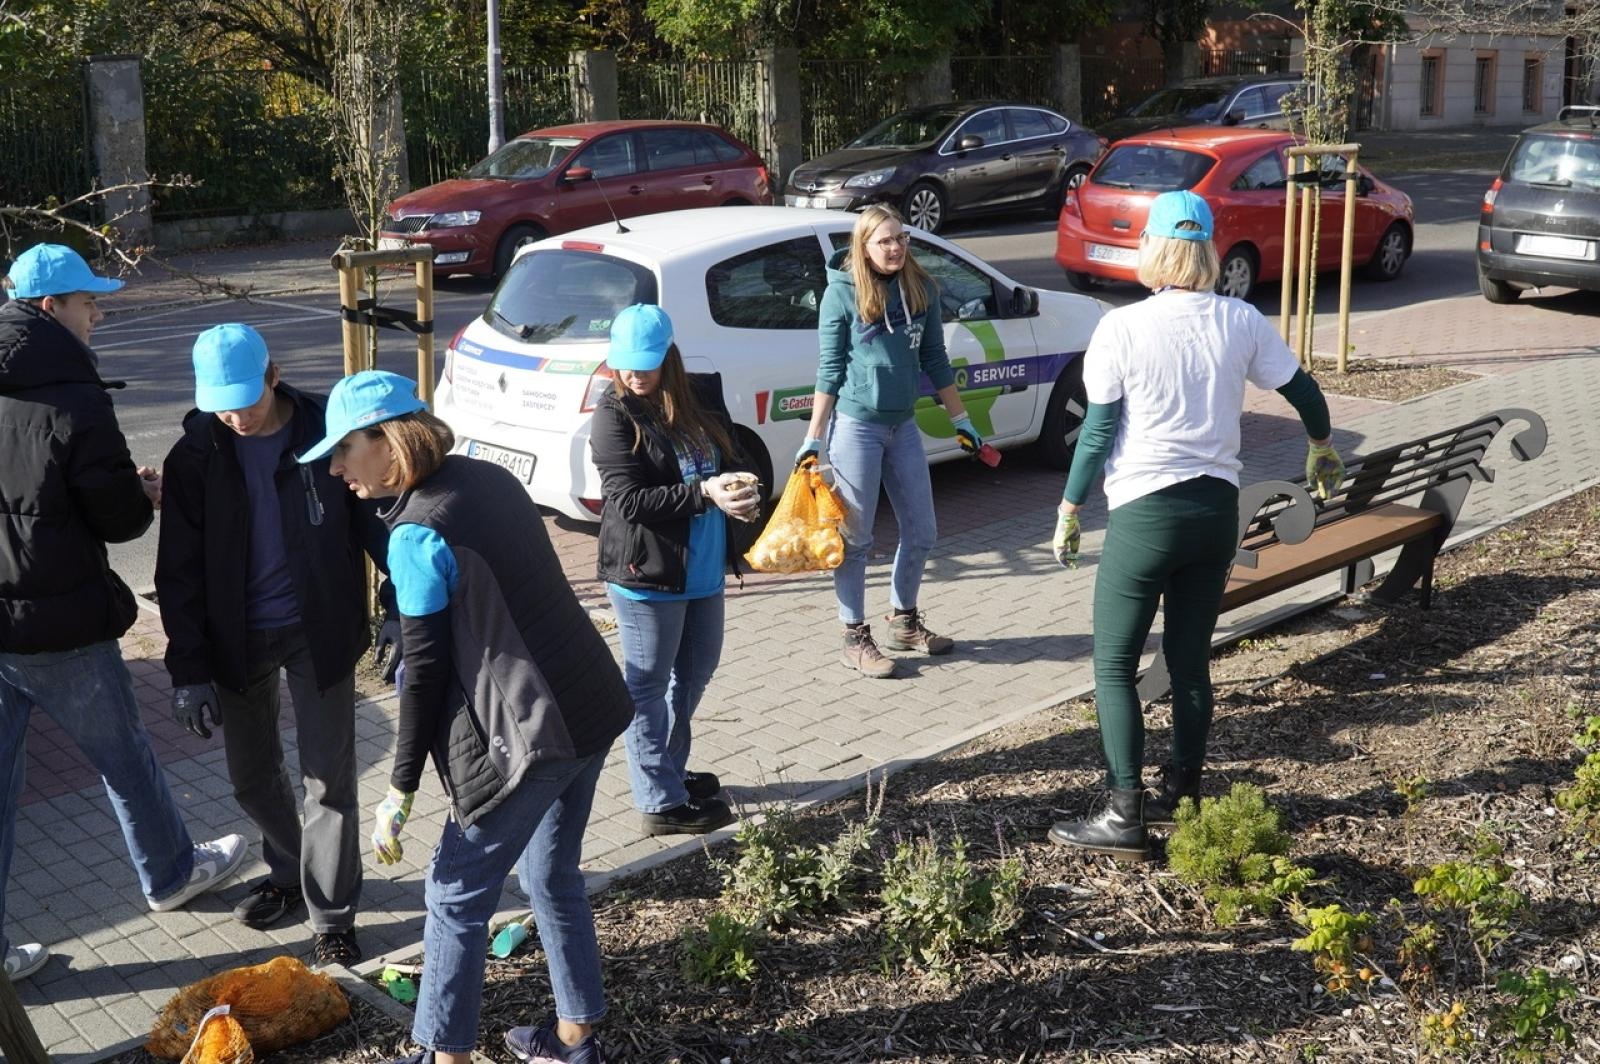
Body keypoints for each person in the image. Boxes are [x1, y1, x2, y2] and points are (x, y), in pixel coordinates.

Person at [300, 371, 631, 1064]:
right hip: (590, 703)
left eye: (342, 451)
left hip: (534, 735)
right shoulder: (489, 477)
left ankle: (440, 1054)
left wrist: (399, 789)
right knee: (553, 878)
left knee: (453, 895)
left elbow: (422, 675)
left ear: (388, 443)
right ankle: (575, 1039)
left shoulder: (417, 536)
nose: (334, 469)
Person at [1046, 191, 1344, 860]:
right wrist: (1320, 446)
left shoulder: (1122, 328)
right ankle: (1184, 791)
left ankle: (1125, 815)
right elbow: (1304, 391)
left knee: (1115, 666)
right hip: (1216, 515)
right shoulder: (1240, 320)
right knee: (1188, 663)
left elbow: (1095, 434)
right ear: (1208, 249)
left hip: (1146, 516)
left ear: (1152, 248)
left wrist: (1069, 509)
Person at [0, 244, 246, 983]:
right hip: (61, 620)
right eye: (87, 302)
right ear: (51, 309)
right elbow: (117, 521)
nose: (98, 314)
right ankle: (171, 873)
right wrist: (139, 492)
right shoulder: (75, 397)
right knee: (126, 756)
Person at [155, 323, 395, 965]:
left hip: (320, 628)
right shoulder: (195, 457)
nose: (235, 415)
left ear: (274, 375)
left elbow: (380, 519)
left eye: (246, 399)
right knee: (251, 777)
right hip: (236, 637)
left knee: (329, 780)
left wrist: (397, 607)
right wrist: (188, 670)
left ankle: (333, 916)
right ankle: (290, 871)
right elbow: (176, 571)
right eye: (220, 403)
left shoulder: (326, 431)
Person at [590, 304, 758, 837]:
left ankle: (667, 771)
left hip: (702, 567)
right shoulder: (613, 413)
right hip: (647, 573)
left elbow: (725, 461)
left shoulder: (702, 395)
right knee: (646, 686)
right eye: (624, 365)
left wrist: (740, 495)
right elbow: (628, 500)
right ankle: (659, 802)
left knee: (694, 675)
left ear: (669, 356)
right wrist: (705, 493)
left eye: (645, 364)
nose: (633, 376)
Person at [797, 203, 981, 679]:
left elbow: (936, 359)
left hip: (904, 426)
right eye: (885, 240)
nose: (895, 247)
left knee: (922, 530)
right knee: (857, 539)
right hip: (857, 428)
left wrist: (961, 418)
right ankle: (853, 636)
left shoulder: (922, 289)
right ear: (864, 247)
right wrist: (814, 438)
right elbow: (829, 370)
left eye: (900, 238)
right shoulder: (841, 296)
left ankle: (904, 621)